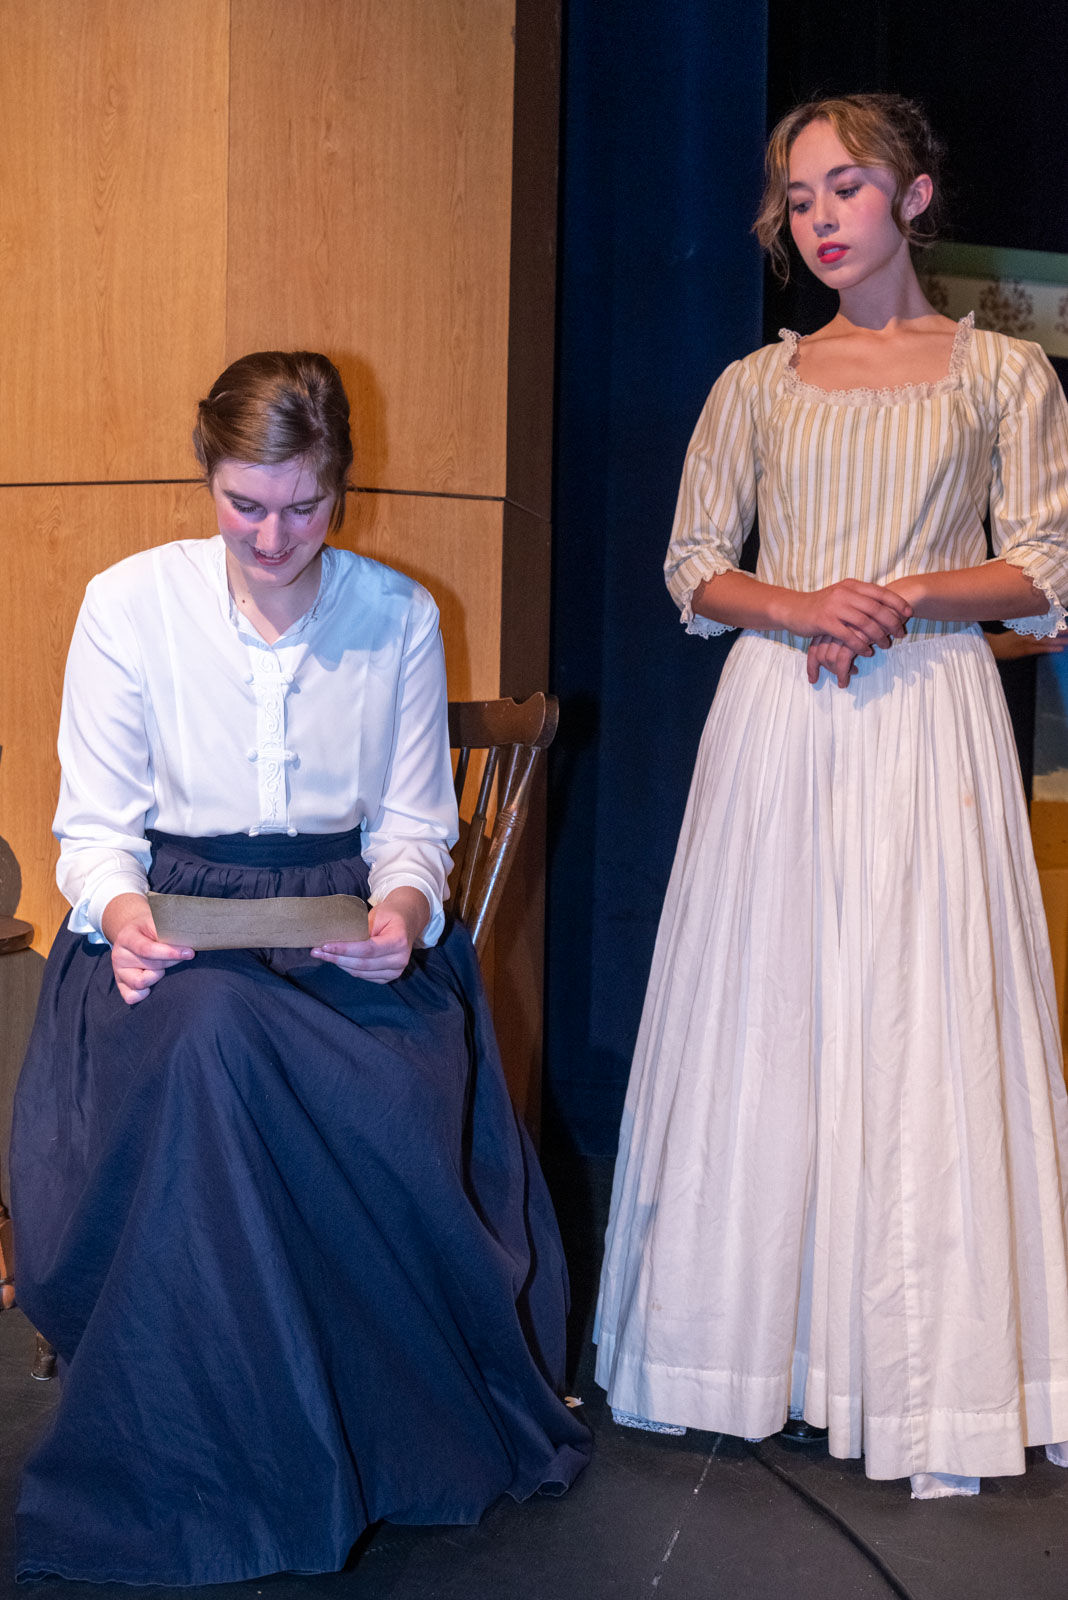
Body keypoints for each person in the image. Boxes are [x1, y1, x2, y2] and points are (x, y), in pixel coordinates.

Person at [11, 351, 589, 1584]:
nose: (273, 538)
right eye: (245, 504)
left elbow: (414, 827)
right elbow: (95, 832)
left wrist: (402, 913)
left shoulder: (399, 614)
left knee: (293, 1053)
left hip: (342, 937)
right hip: (166, 938)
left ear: (343, 486)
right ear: (205, 477)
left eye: (304, 506)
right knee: (212, 1032)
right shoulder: (127, 604)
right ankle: (236, 1471)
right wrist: (122, 917)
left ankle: (326, 1445)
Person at [594, 95, 1068, 1499]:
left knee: (919, 1014)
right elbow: (693, 563)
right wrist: (807, 604)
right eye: (799, 198)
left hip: (926, 718)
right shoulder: (756, 383)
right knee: (771, 1010)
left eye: (848, 187)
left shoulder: (1002, 375)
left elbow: (1047, 564)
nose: (820, 218)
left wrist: (902, 594)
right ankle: (746, 1354)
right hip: (780, 719)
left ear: (912, 199)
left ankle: (919, 1366)